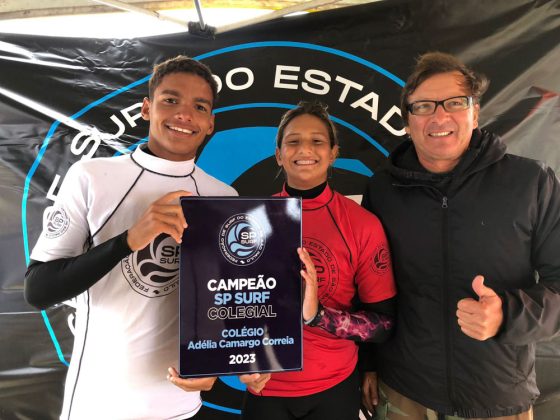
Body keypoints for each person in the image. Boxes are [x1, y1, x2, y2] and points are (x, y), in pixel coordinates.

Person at [24, 55, 237, 420]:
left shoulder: (225, 198)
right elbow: (39, 290)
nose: (184, 114)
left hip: (180, 405)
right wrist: (129, 240)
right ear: (145, 108)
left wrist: (217, 363)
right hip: (102, 403)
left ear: (210, 123)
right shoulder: (93, 176)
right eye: (171, 100)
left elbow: (229, 298)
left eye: (199, 106)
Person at [361, 51, 560, 419]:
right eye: (423, 106)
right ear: (407, 120)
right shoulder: (383, 189)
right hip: (403, 393)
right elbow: (368, 285)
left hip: (497, 397)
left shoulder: (532, 183)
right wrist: (367, 363)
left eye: (454, 102)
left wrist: (507, 315)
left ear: (475, 111)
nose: (440, 117)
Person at [240, 101, 397, 420]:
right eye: (293, 141)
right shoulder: (248, 221)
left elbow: (383, 324)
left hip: (334, 388)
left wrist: (317, 316)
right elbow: (228, 308)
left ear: (334, 152)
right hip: (265, 387)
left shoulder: (362, 224)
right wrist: (238, 362)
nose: (305, 149)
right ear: (278, 154)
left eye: (317, 141)